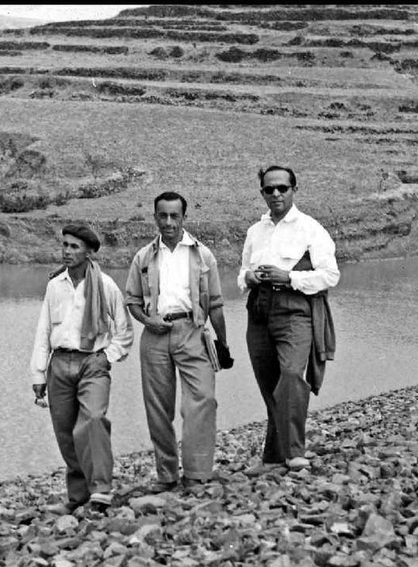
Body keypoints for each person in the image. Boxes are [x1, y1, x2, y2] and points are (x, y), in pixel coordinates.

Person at [125, 191, 232, 491]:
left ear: (184, 217)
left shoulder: (202, 255)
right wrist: (147, 320)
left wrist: (223, 343)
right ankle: (167, 475)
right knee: (158, 407)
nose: (169, 222)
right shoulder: (143, 257)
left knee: (203, 400)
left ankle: (197, 473)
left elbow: (216, 304)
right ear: (155, 217)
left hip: (193, 330)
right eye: (163, 215)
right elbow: (132, 300)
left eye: (175, 216)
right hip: (156, 334)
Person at [238, 165, 339, 471]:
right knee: (269, 384)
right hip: (259, 310)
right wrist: (250, 277)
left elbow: (330, 275)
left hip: (294, 308)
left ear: (294, 189)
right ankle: (272, 457)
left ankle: (295, 452)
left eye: (282, 188)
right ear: (262, 194)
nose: (276, 194)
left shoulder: (310, 228)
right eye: (270, 189)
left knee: (292, 375)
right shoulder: (255, 231)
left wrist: (289, 276)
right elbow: (241, 274)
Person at [30, 225, 133, 512]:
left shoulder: (106, 286)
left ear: (88, 252)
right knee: (65, 432)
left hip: (93, 363)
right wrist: (38, 373)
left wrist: (107, 357)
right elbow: (43, 331)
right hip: (59, 364)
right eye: (64, 245)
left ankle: (101, 489)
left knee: (94, 420)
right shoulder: (55, 286)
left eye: (74, 247)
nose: (67, 251)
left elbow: (124, 331)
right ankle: (78, 497)